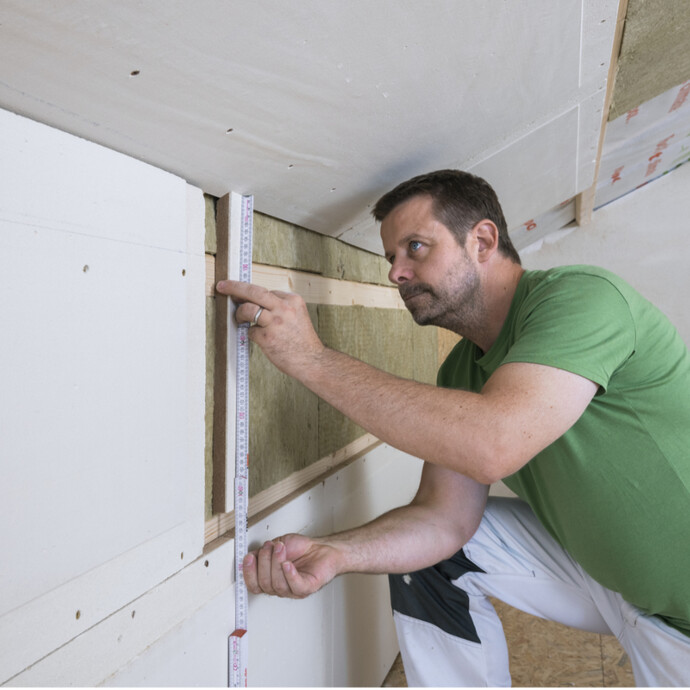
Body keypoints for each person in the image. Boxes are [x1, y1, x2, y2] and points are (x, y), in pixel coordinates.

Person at [216, 169, 690, 686]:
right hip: (616, 585)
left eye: (415, 247)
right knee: (434, 557)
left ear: (482, 240)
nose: (397, 272)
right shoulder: (461, 372)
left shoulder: (581, 299)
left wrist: (312, 360)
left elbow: (495, 443)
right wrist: (339, 553)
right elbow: (444, 521)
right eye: (391, 258)